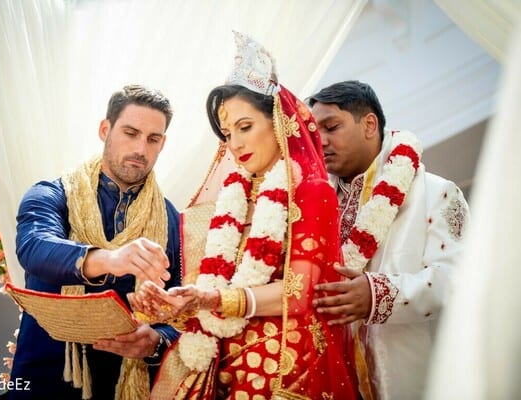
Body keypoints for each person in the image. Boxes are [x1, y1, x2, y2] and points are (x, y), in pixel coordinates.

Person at [128, 32, 358, 399]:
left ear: (279, 122)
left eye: (245, 127)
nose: (234, 143)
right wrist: (174, 307)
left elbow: (299, 294)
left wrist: (213, 301)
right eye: (227, 132)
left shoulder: (313, 192)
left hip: (287, 371)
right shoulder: (229, 205)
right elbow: (213, 296)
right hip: (226, 372)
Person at [6, 85, 182, 400]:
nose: (141, 148)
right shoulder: (51, 194)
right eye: (130, 133)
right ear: (105, 129)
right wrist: (109, 259)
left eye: (153, 139)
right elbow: (34, 247)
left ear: (162, 144)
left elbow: (184, 304)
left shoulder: (169, 218)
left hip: (125, 388)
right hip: (44, 384)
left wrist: (158, 339)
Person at [307, 80, 470, 400]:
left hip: (416, 378)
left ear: (369, 124)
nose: (321, 141)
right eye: (315, 133)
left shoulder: (437, 192)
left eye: (331, 127)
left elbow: (458, 280)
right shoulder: (316, 206)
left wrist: (377, 295)